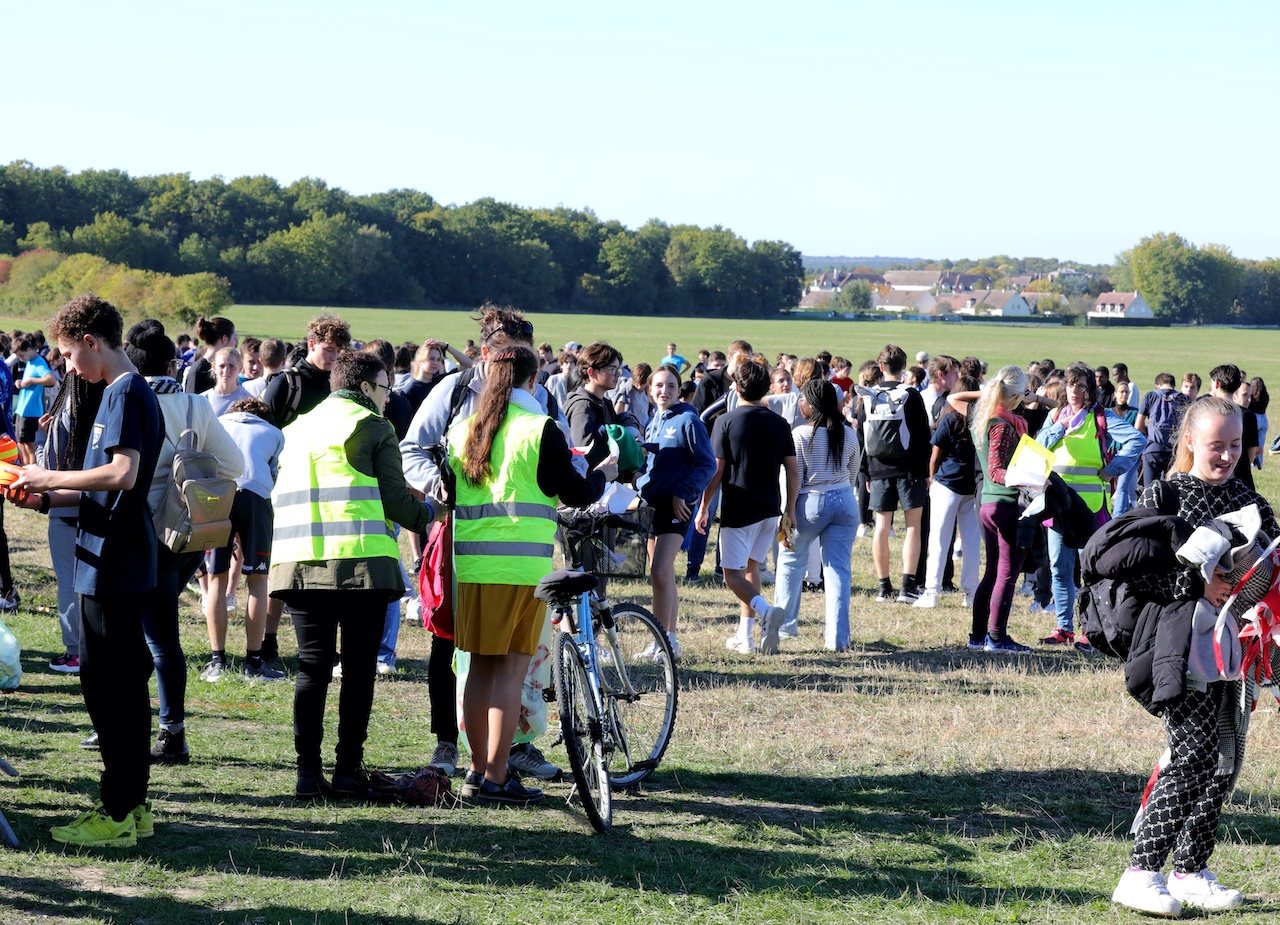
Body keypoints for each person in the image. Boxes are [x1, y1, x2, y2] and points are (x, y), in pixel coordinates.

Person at [10, 294, 164, 847]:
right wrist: (45, 501)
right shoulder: (118, 393)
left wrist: (48, 477)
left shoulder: (124, 393)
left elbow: (122, 476)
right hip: (108, 553)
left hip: (116, 561)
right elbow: (102, 489)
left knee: (109, 686)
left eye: (70, 355)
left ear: (93, 344)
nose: (68, 367)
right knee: (118, 682)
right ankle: (134, 805)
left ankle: (118, 812)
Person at [400, 304, 579, 783]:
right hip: (466, 542)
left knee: (505, 664)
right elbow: (413, 449)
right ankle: (457, 747)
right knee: (458, 648)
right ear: (486, 352)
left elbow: (548, 462)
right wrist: (442, 491)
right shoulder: (455, 391)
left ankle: (509, 752)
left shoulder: (536, 403)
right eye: (506, 351)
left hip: (502, 551)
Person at [1110, 396, 1267, 916]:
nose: (1226, 455)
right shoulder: (1166, 493)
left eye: (1235, 445)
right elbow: (1128, 567)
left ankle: (1191, 871)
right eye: (1216, 445)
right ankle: (1140, 873)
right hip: (1180, 647)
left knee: (1224, 760)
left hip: (1234, 652)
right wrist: (1200, 584)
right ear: (1190, 443)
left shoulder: (1249, 498)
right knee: (1193, 754)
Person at [270, 351, 441, 799]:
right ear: (366, 388)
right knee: (359, 669)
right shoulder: (373, 426)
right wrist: (434, 513)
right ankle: (347, 769)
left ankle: (307, 774)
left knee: (312, 669)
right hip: (360, 565)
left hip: (298, 563)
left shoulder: (296, 427)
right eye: (385, 389)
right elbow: (397, 505)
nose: (388, 399)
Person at [448, 345, 612, 805]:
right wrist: (607, 471)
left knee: (479, 670)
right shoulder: (539, 428)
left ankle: (478, 772)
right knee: (509, 673)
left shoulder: (463, 428)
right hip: (522, 568)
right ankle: (497, 778)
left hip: (474, 568)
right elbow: (577, 492)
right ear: (532, 380)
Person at [1036, 363, 1145, 650]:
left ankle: (1090, 630)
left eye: (1081, 385)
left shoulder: (1102, 417)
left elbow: (1137, 439)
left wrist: (1113, 469)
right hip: (1056, 504)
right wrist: (1057, 429)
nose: (1075, 390)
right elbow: (1037, 449)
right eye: (1071, 384)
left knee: (1092, 571)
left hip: (1092, 507)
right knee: (1059, 566)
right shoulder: (1054, 416)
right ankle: (1063, 627)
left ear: (1090, 390)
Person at [695, 358, 796, 655]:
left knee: (731, 575)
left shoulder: (726, 421)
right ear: (766, 388)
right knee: (751, 569)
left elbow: (717, 471)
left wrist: (703, 507)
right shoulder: (780, 423)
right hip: (770, 509)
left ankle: (766, 612)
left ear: (735, 387)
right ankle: (745, 637)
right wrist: (789, 510)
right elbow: (792, 470)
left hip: (740, 509)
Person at [772, 380, 860, 651]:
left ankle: (785, 627)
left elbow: (791, 478)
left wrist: (786, 513)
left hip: (809, 502)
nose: (800, 404)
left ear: (811, 405)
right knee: (838, 572)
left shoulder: (799, 434)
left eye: (803, 400)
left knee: (790, 562)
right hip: (844, 500)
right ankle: (838, 639)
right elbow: (854, 470)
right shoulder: (848, 433)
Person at [201, 398, 284, 684]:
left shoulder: (217, 422)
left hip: (218, 495)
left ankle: (217, 662)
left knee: (216, 579)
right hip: (256, 498)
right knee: (258, 581)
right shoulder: (274, 433)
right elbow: (274, 475)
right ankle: (254, 662)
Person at [636, 366, 716, 659]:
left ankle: (667, 641)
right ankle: (662, 639)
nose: (664, 391)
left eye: (671, 385)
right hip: (650, 506)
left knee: (660, 570)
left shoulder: (688, 420)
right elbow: (649, 467)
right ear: (649, 389)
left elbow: (707, 464)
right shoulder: (652, 420)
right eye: (658, 385)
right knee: (661, 575)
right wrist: (636, 482)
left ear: (678, 389)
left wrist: (684, 492)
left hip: (676, 508)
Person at [965, 365, 1034, 653]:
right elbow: (996, 470)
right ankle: (996, 638)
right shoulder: (1001, 425)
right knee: (1006, 574)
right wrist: (1032, 479)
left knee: (992, 572)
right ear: (1016, 395)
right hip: (1005, 503)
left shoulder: (983, 418)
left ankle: (978, 636)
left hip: (988, 504)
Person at [856, 344, 931, 603]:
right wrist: (926, 472)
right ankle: (908, 586)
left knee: (881, 527)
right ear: (904, 368)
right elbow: (923, 436)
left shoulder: (867, 394)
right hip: (909, 469)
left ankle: (882, 586)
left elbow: (860, 436)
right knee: (913, 526)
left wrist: (864, 472)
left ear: (880, 367)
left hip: (877, 468)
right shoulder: (911, 394)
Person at [916, 376, 981, 610]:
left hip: (947, 483)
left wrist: (931, 478)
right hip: (972, 486)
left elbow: (935, 455)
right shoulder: (981, 421)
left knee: (939, 539)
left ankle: (932, 592)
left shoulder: (950, 418)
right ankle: (972, 593)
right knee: (972, 542)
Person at [261, 313, 350, 429]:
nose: (334, 357)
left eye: (338, 351)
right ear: (312, 344)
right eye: (329, 349)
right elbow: (263, 432)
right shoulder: (284, 384)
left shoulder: (336, 386)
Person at [564, 342, 626, 469]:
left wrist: (628, 421)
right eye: (612, 369)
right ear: (592, 372)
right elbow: (582, 455)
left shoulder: (604, 403)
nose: (618, 374)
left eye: (618, 369)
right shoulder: (582, 407)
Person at [1135, 372, 1191, 487]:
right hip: (1175, 450)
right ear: (1173, 385)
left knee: (1150, 490)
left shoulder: (1151, 395)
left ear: (1157, 385)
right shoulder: (1183, 398)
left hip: (1153, 449)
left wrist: (1149, 430)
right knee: (1173, 488)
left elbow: (1138, 425)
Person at [1206, 364, 1257, 490]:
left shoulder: (1203, 410)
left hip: (1210, 475)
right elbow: (1251, 455)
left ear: (1216, 384)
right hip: (1240, 475)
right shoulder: (1248, 415)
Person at [13, 336, 55, 465]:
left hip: (32, 412)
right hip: (22, 410)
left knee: (30, 446)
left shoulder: (39, 362)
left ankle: (32, 474)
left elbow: (51, 380)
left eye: (21, 355)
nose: (21, 359)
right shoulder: (30, 362)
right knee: (21, 444)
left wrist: (31, 381)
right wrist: (19, 382)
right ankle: (25, 470)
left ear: (29, 349)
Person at [183, 316, 236, 395]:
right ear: (224, 339)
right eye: (234, 338)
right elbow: (192, 404)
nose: (235, 343)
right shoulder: (198, 371)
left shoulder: (229, 370)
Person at [1112, 378, 1140, 515]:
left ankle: (1117, 517)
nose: (1124, 395)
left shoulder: (1134, 412)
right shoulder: (1108, 412)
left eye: (1126, 392)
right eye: (1121, 392)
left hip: (1128, 454)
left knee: (1122, 486)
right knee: (1117, 486)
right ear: (1115, 393)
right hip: (1111, 453)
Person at [201, 346, 251, 416]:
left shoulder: (248, 400)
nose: (226, 371)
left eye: (231, 366)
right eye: (222, 366)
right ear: (214, 368)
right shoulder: (202, 400)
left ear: (240, 368)